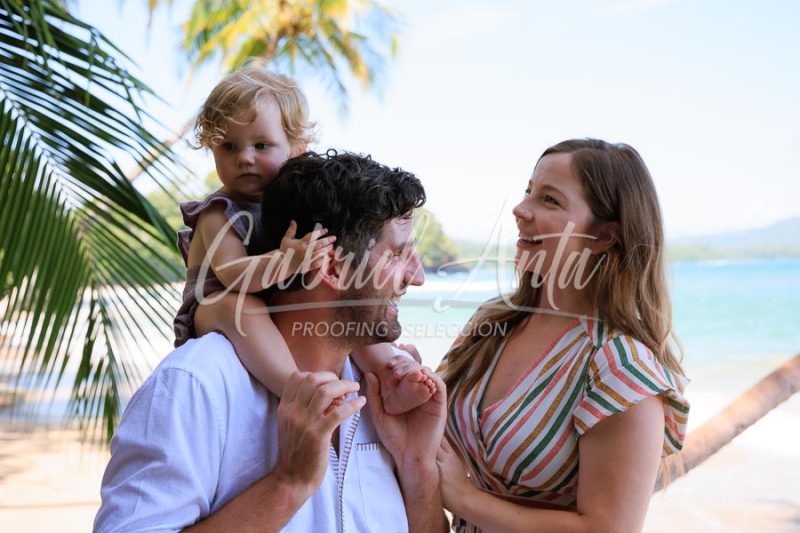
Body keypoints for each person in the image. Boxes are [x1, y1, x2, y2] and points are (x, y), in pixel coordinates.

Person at [94, 151, 448, 532]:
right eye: (397, 254)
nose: (417, 277)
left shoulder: (387, 394)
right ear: (331, 266)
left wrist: (417, 465)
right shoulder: (196, 386)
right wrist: (288, 484)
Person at [435, 139, 690, 532]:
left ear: (604, 236)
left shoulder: (620, 366)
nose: (521, 210)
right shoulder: (493, 324)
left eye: (550, 200)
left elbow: (609, 528)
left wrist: (466, 498)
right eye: (528, 192)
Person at [173, 66, 435, 414]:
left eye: (261, 145)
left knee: (350, 309)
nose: (244, 158)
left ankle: (391, 373)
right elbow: (234, 276)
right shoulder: (217, 213)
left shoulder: (292, 203)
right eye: (228, 147)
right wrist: (286, 261)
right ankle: (294, 387)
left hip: (269, 294)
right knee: (239, 307)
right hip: (216, 304)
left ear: (296, 147)